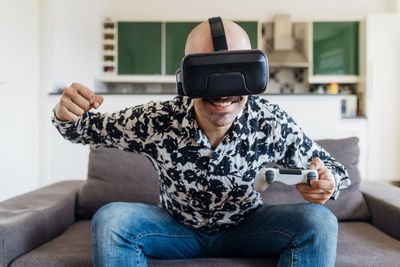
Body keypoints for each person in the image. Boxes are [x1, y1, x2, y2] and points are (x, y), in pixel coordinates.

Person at [52, 18, 350, 267]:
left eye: (235, 73)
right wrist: (67, 112)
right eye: (208, 75)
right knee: (111, 219)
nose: (222, 93)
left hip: (248, 228)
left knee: (319, 222)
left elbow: (336, 169)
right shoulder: (157, 119)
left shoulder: (270, 122)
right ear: (185, 78)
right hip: (174, 230)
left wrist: (328, 181)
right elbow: (82, 130)